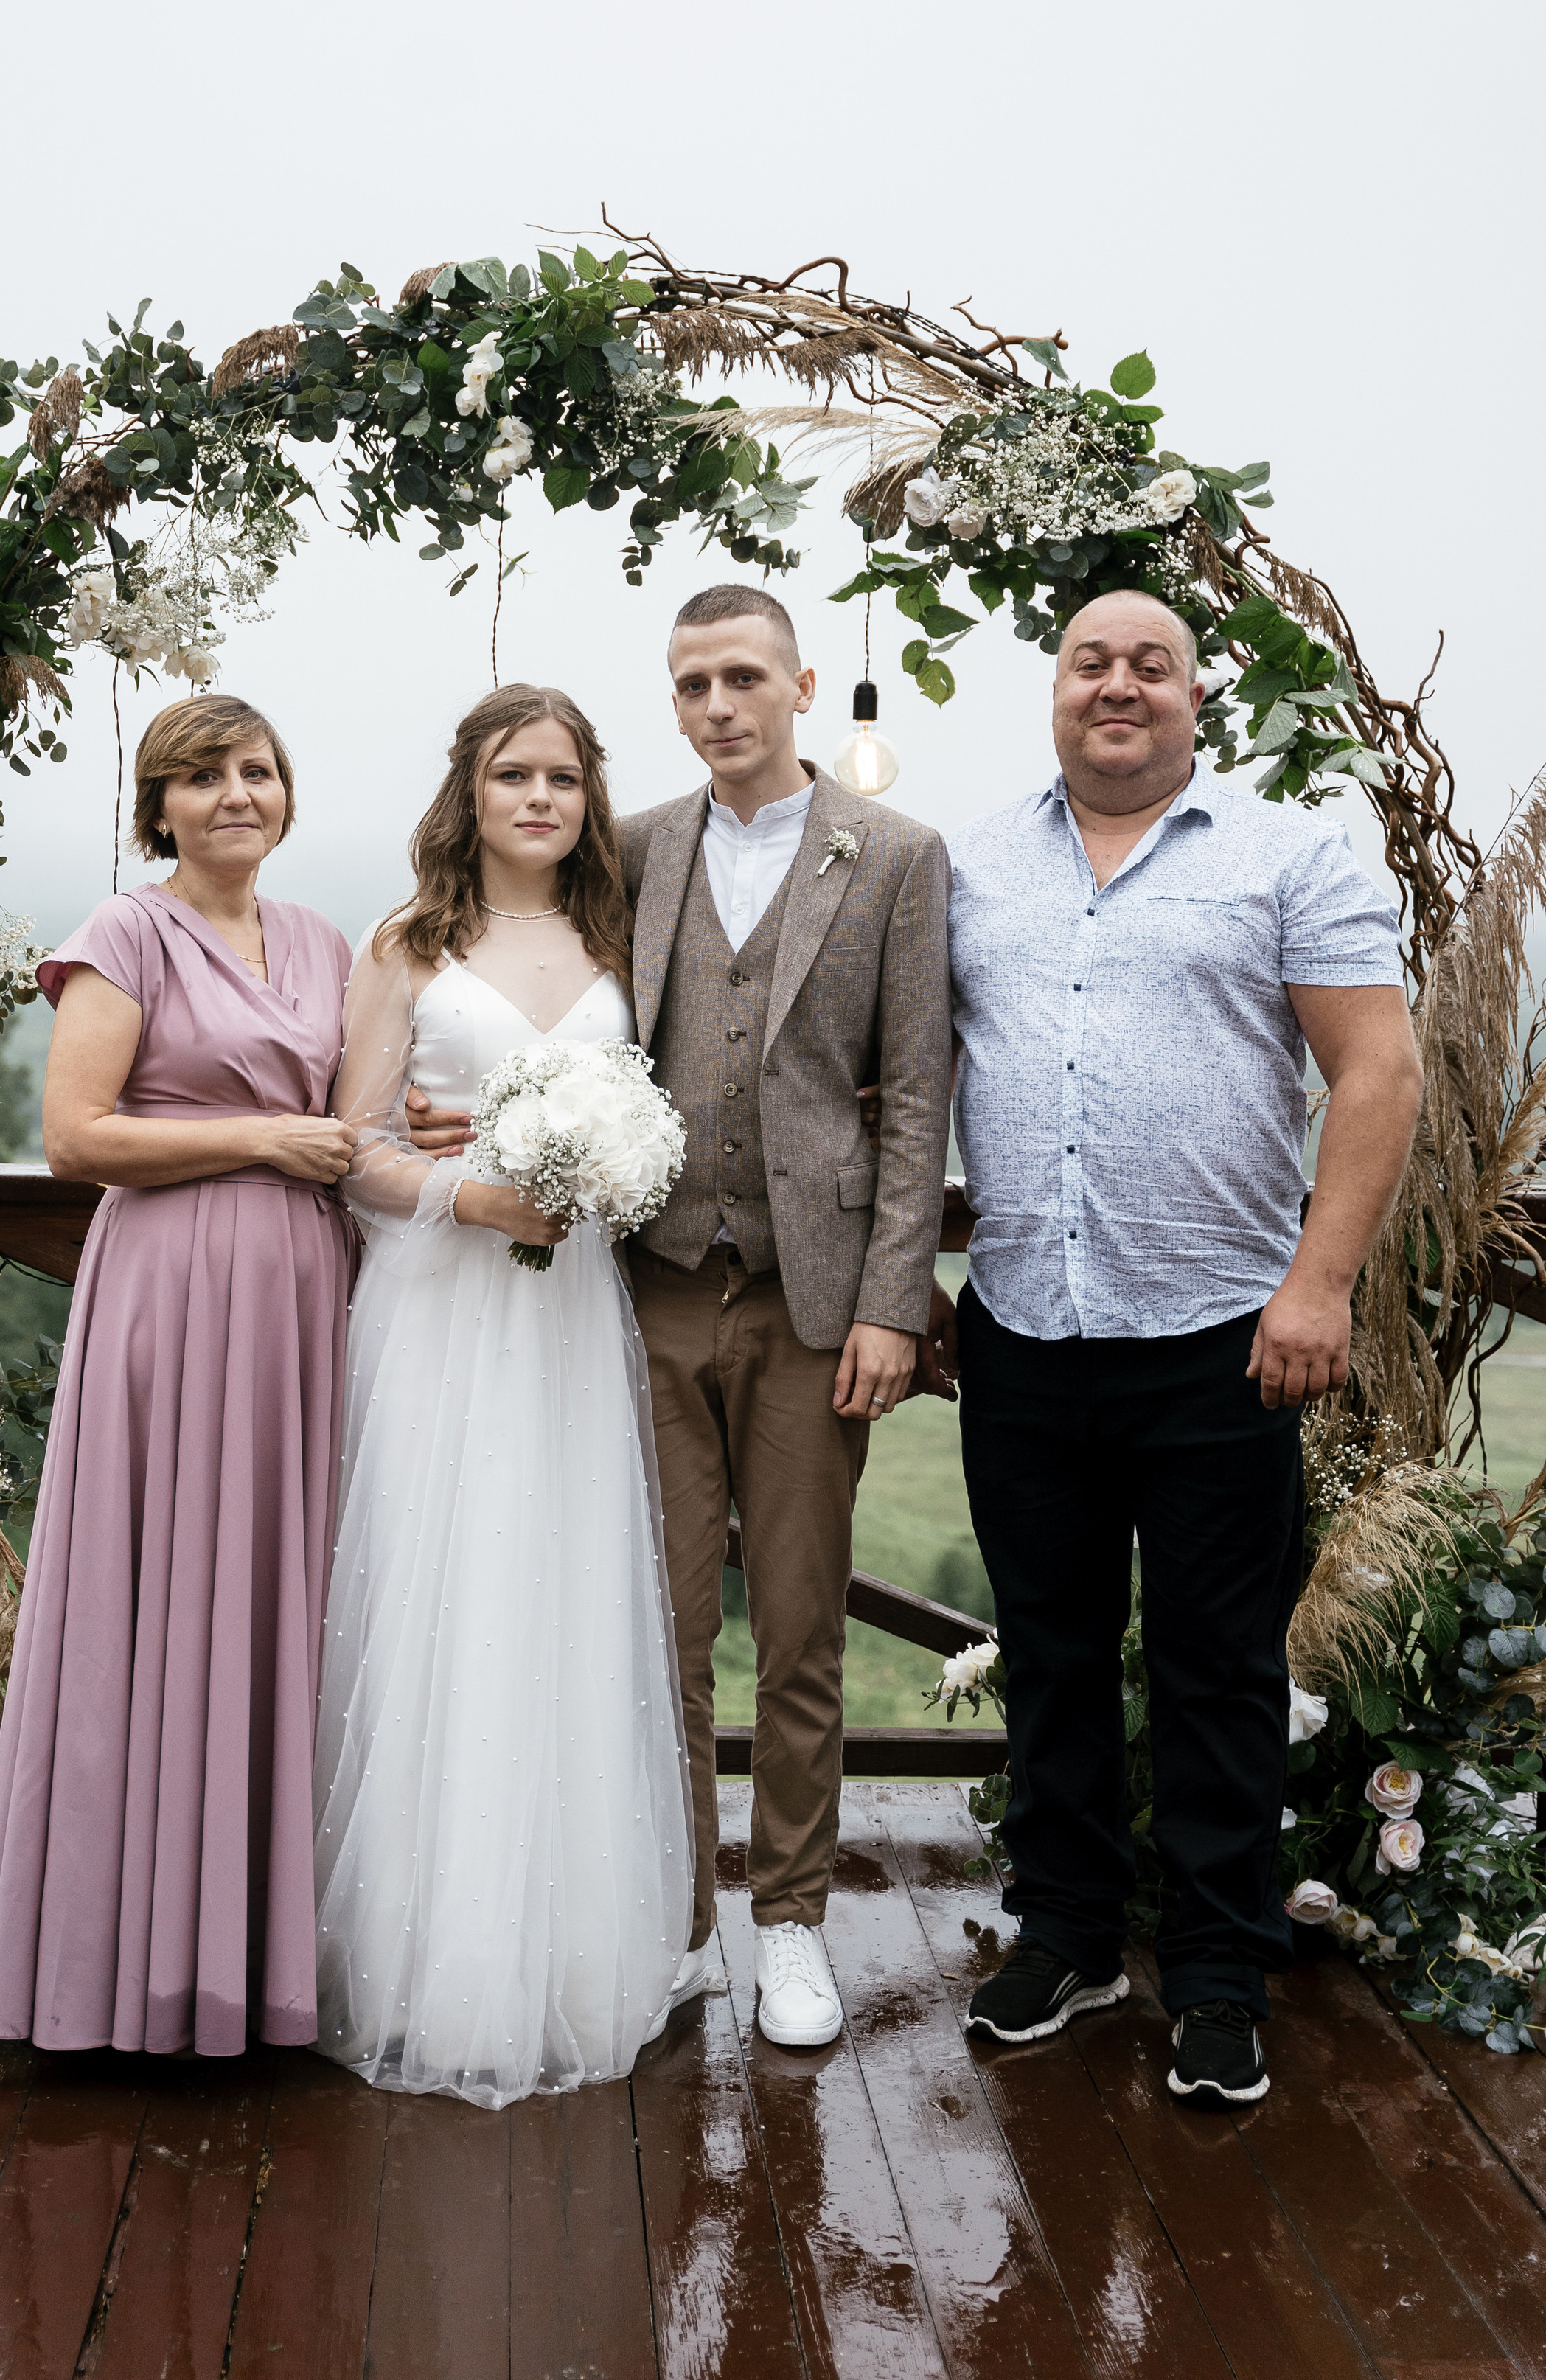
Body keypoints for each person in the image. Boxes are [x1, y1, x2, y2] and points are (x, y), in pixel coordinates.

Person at [409, 589, 953, 2049]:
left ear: (797, 685)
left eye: (739, 679)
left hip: (808, 1303)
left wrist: (892, 1307)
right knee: (644, 1626)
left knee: (796, 1627)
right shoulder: (635, 849)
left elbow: (912, 1095)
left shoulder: (894, 855)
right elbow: (534, 1014)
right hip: (635, 1295)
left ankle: (788, 1924)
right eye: (688, 684)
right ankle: (668, 1919)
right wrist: (455, 1127)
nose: (714, 705)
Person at [927, 588, 1422, 2110]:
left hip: (1223, 1338)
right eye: (1091, 664)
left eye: (1150, 664)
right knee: (1052, 1658)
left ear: (1194, 697)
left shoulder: (1285, 853)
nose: (1118, 686)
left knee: (1216, 1673)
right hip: (1018, 1327)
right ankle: (1067, 1934)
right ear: (1054, 691)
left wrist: (1318, 1285)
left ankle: (1214, 1972)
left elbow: (1376, 1070)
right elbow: (901, 1076)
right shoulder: (969, 868)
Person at [0, 694, 358, 2056]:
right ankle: (117, 1975)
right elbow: (75, 1137)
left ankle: (255, 1967)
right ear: (161, 808)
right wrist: (264, 1139)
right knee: (152, 1599)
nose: (235, 795)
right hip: (170, 1296)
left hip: (301, 1302)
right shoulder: (127, 933)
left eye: (258, 769)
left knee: (268, 1602)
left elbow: (354, 1120)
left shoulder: (322, 942)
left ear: (285, 790)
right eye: (204, 779)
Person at [312, 683, 692, 2110]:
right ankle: (425, 1955)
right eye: (511, 774)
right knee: (440, 1599)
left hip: (572, 1321)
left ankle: (570, 1949)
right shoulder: (408, 943)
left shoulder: (620, 943)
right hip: (439, 1312)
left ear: (591, 799)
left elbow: (646, 1107)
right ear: (467, 791)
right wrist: (472, 1195)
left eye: (563, 779)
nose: (539, 799)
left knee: (558, 1602)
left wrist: (593, 1172)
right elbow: (352, 1143)